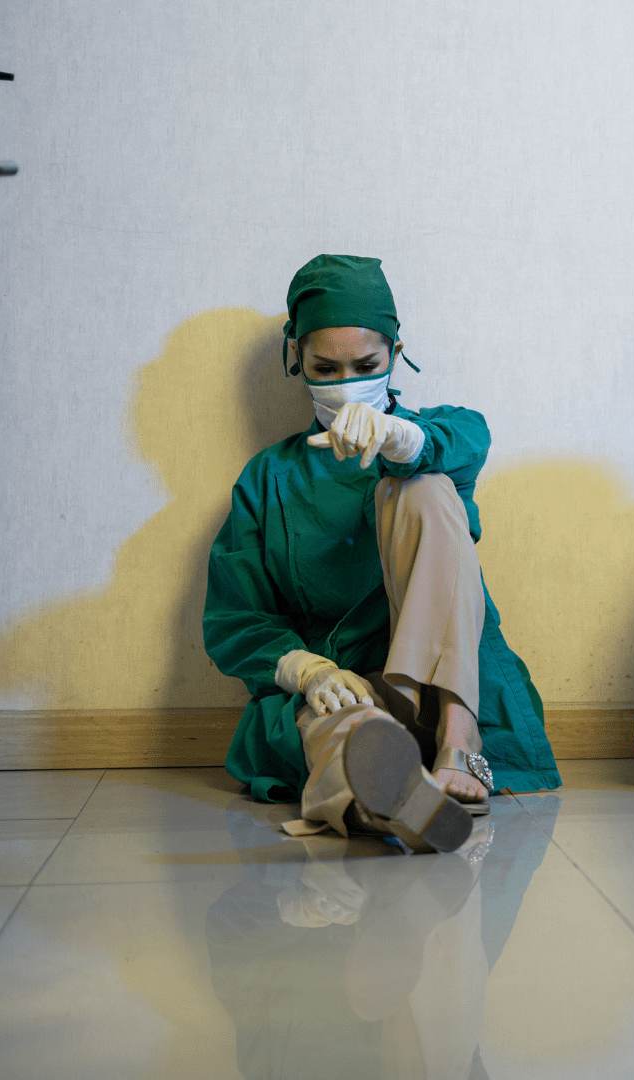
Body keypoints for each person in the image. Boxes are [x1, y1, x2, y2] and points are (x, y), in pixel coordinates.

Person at [204, 254, 559, 852]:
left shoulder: (442, 437)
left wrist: (405, 441)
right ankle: (390, 799)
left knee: (423, 486)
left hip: (443, 693)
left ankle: (459, 739)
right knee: (347, 730)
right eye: (325, 368)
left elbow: (463, 441)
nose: (346, 383)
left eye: (366, 366)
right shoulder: (267, 479)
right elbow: (234, 616)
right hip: (346, 694)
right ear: (297, 360)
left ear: (396, 353)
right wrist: (307, 670)